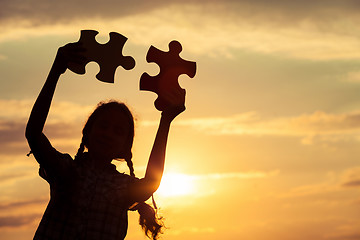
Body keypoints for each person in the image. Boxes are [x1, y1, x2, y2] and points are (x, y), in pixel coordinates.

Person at [25, 42, 185, 240]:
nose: (108, 134)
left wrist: (166, 120)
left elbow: (151, 183)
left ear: (126, 147)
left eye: (118, 131)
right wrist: (56, 71)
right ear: (87, 133)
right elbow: (33, 134)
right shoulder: (67, 170)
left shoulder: (122, 186)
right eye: (103, 126)